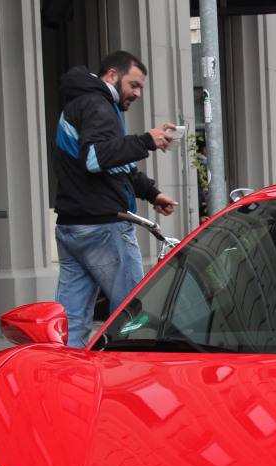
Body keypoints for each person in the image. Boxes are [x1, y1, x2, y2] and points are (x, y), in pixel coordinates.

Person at [52, 50, 177, 348]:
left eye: (140, 88)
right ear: (111, 75)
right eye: (133, 85)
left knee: (70, 325)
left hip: (72, 227)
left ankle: (69, 384)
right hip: (103, 227)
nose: (136, 93)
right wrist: (145, 141)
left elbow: (113, 163)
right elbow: (95, 159)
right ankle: (127, 382)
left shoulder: (80, 103)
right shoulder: (98, 104)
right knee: (133, 317)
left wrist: (151, 192)